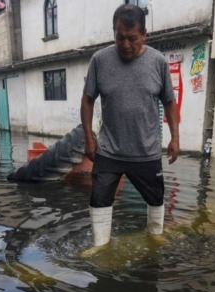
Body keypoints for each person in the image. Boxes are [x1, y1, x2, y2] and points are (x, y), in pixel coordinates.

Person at [81, 4, 180, 247]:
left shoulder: (157, 62)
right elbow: (87, 99)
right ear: (114, 33)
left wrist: (175, 137)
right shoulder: (100, 60)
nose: (125, 44)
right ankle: (99, 246)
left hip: (145, 151)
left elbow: (169, 101)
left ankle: (155, 237)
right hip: (109, 150)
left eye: (132, 38)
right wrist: (88, 138)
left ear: (144, 35)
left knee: (156, 198)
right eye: (119, 37)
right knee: (99, 198)